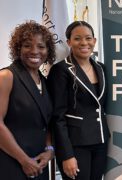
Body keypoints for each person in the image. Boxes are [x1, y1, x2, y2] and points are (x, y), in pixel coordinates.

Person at [47, 21, 110, 180]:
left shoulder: (102, 68)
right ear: (69, 42)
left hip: (100, 142)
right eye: (77, 38)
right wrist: (67, 155)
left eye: (88, 38)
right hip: (76, 145)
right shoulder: (60, 70)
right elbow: (57, 117)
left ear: (94, 41)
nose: (84, 43)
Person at [0, 20, 55, 179]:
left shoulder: (44, 81)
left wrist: (49, 151)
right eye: (27, 45)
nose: (34, 51)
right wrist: (24, 160)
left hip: (39, 165)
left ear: (48, 50)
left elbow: (46, 123)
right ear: (18, 49)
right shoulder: (6, 76)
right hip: (11, 163)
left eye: (41, 46)